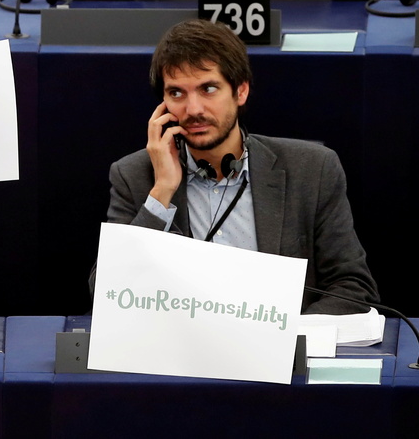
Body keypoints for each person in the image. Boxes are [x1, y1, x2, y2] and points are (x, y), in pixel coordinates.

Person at [95, 19, 377, 314]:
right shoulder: (135, 176)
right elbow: (106, 292)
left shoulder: (312, 170)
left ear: (240, 91)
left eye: (208, 88)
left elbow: (353, 286)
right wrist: (162, 192)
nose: (193, 109)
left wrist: (287, 335)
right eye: (177, 93)